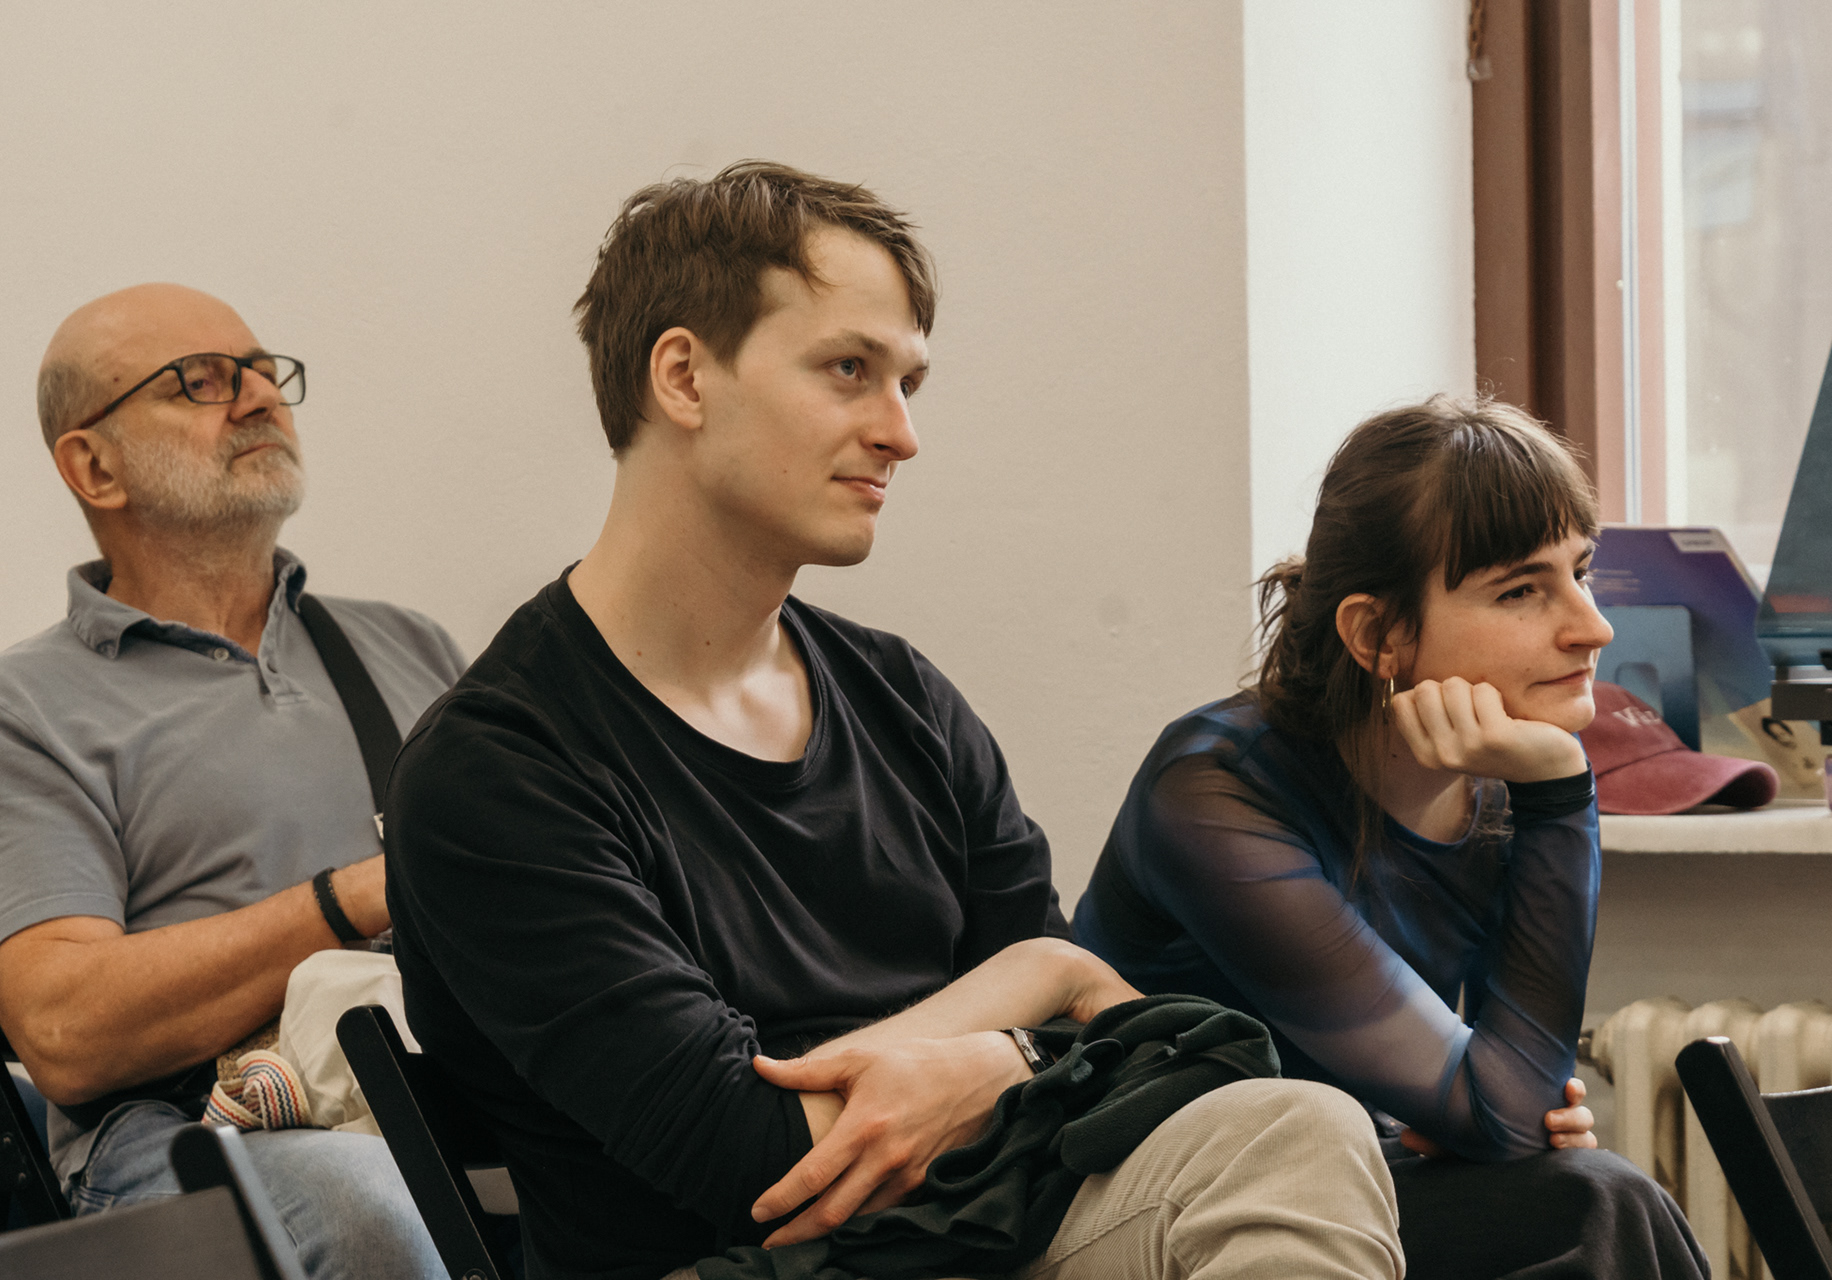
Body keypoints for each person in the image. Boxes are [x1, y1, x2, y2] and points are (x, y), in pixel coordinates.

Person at [385, 161, 1407, 1280]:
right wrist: (1041, 985)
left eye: (908, 382)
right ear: (683, 376)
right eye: (849, 371)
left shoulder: (903, 698)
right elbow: (762, 1161)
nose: (900, 433)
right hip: (753, 1261)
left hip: (981, 1232)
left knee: (1306, 1132)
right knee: (1287, 1136)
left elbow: (1118, 1048)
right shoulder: (497, 769)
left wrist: (1016, 1053)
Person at [1073, 398, 1709, 1279]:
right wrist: (1562, 793)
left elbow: (1515, 1106)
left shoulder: (1502, 781)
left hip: (1352, 1178)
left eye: (1582, 572)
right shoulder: (1216, 790)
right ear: (1377, 635)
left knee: (1598, 1197)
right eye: (1521, 591)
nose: (1592, 627)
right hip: (1168, 1204)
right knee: (1594, 1201)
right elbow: (1503, 1112)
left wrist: (1489, 1108)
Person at [0, 284, 462, 1279]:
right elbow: (64, 1029)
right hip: (183, 1133)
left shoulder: (411, 645)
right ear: (93, 466)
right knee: (370, 1204)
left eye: (262, 370)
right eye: (199, 382)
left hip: (445, 1088)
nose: (257, 396)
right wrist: (350, 899)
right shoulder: (24, 707)